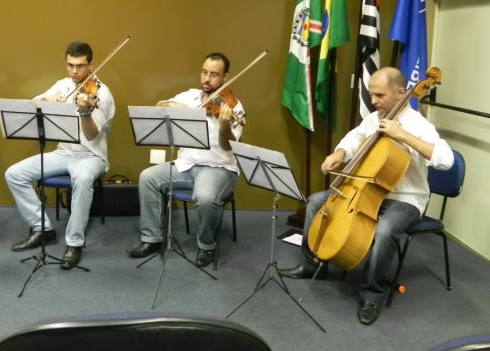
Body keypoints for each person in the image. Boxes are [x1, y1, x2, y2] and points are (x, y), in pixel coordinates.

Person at [279, 67, 454, 325]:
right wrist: (338, 154)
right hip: (367, 189)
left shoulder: (419, 125)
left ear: (401, 93)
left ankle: (373, 294)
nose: (373, 101)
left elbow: (446, 160)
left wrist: (403, 136)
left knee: (385, 230)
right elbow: (353, 140)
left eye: (379, 95)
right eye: (371, 94)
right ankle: (312, 264)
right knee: (316, 201)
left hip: (406, 199)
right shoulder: (374, 118)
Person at [128, 52, 245, 268]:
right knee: (147, 178)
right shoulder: (190, 96)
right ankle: (152, 238)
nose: (207, 79)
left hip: (218, 168)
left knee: (205, 196)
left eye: (213, 74)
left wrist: (224, 124)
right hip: (186, 165)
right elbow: (161, 104)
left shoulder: (234, 107)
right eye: (204, 72)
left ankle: (206, 246)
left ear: (225, 77)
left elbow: (229, 146)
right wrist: (186, 110)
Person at [5, 41, 114, 270]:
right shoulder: (63, 85)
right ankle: (42, 229)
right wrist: (46, 100)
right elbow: (34, 102)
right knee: (14, 173)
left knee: (82, 179)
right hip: (63, 152)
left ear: (91, 65)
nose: (74, 71)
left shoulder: (102, 93)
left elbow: (92, 135)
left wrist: (84, 112)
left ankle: (74, 242)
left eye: (80, 66)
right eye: (70, 65)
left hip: (91, 156)